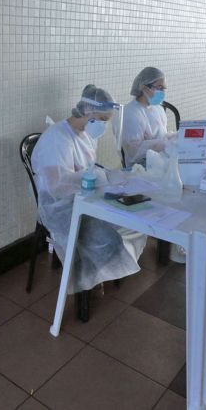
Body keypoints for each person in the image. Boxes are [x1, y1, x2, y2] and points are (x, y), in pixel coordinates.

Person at [32, 85, 146, 293]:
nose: (103, 126)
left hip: (85, 198)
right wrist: (99, 179)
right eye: (102, 120)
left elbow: (89, 169)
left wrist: (114, 177)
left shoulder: (85, 134)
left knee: (133, 220)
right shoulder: (56, 138)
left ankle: (102, 271)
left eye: (107, 121)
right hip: (60, 207)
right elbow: (57, 186)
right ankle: (90, 279)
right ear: (87, 112)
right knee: (107, 237)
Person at [122, 67, 172, 167]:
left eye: (164, 88)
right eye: (159, 87)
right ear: (144, 87)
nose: (163, 91)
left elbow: (162, 135)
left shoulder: (158, 108)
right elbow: (134, 153)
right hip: (141, 168)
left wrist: (175, 138)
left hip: (160, 161)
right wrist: (163, 145)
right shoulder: (131, 113)